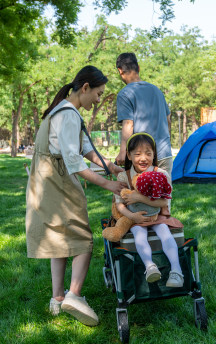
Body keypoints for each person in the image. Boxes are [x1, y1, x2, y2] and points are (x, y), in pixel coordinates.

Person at [26, 66, 126, 327]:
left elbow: (83, 149)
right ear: (85, 88)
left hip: (45, 179)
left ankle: (57, 299)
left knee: (58, 238)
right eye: (98, 94)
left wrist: (108, 165)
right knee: (83, 238)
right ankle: (75, 296)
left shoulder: (61, 108)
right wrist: (108, 184)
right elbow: (75, 163)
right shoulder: (69, 115)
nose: (98, 100)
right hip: (57, 180)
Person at [114, 132, 184, 287]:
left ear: (154, 155)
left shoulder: (160, 174)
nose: (143, 158)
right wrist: (133, 217)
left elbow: (164, 202)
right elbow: (119, 205)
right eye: (137, 154)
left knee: (165, 233)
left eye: (148, 153)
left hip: (157, 215)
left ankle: (176, 271)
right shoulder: (123, 177)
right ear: (129, 155)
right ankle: (150, 266)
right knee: (139, 234)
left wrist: (139, 198)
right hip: (135, 218)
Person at [115, 52, 173, 179]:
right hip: (165, 153)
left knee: (140, 197)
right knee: (163, 196)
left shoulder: (125, 94)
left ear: (120, 71)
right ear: (138, 67)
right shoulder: (157, 91)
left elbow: (128, 124)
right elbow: (168, 120)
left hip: (143, 158)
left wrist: (123, 152)